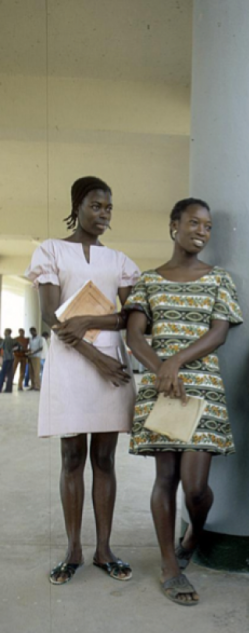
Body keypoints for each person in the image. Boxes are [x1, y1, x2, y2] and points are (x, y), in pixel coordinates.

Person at [125, 198, 243, 606]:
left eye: (208, 226)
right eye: (194, 223)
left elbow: (219, 333)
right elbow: (134, 335)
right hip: (162, 387)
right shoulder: (148, 280)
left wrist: (174, 361)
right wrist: (161, 368)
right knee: (166, 478)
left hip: (202, 387)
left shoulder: (219, 279)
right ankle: (169, 565)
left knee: (195, 488)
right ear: (173, 225)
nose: (202, 231)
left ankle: (194, 530)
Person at [25, 176, 141, 585]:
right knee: (72, 458)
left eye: (108, 208)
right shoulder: (51, 251)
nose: (103, 214)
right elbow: (51, 316)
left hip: (111, 363)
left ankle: (104, 550)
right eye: (95, 206)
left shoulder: (120, 261)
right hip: (74, 362)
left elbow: (132, 315)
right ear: (78, 206)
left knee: (105, 460)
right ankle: (73, 550)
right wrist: (96, 358)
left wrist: (93, 323)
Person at [0, 329, 22, 393]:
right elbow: (20, 346)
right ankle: (9, 389)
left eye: (4, 332)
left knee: (2, 373)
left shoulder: (5, 340)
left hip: (6, 358)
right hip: (11, 358)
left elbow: (1, 347)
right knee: (10, 374)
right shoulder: (13, 340)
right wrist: (13, 349)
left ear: (6, 332)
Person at [27, 326, 43, 390]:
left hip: (36, 356)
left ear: (35, 331)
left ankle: (38, 386)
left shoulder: (40, 338)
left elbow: (41, 348)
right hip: (30, 356)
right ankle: (32, 385)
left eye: (32, 332)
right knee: (31, 372)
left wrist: (34, 352)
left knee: (36, 372)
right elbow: (30, 347)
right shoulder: (30, 338)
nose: (31, 333)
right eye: (30, 332)